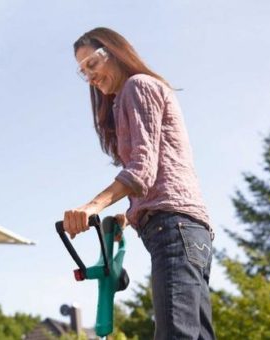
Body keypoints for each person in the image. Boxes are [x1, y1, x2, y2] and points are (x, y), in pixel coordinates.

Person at [63, 27, 216, 340]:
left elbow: (142, 171)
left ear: (115, 52)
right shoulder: (134, 95)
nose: (90, 77)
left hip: (174, 228)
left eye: (92, 64)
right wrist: (129, 216)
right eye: (83, 72)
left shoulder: (137, 85)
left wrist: (92, 206)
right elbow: (160, 172)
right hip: (188, 229)